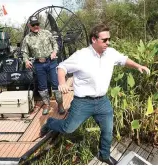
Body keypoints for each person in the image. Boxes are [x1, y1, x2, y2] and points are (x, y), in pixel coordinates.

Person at [40, 24, 150, 165]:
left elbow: (124, 60)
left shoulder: (110, 53)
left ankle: (104, 154)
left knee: (108, 129)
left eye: (108, 39)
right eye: (104, 40)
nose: (108, 42)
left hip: (102, 101)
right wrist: (62, 82)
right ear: (93, 39)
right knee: (68, 128)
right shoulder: (81, 55)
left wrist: (138, 66)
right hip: (82, 102)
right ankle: (50, 123)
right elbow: (62, 67)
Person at [21, 16, 65, 115]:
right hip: (38, 64)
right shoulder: (27, 38)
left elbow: (55, 44)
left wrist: (54, 52)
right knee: (42, 87)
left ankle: (60, 104)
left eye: (37, 24)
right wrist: (26, 60)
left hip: (51, 62)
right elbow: (24, 52)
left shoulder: (47, 33)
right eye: (33, 25)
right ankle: (47, 104)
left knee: (55, 84)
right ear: (29, 26)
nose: (36, 26)